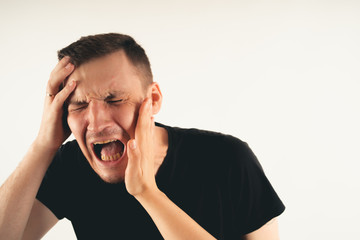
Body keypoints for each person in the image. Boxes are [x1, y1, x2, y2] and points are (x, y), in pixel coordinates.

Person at [0, 33, 285, 239]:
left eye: (114, 100)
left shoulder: (227, 159)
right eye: (80, 105)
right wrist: (42, 145)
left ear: (154, 99)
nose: (97, 124)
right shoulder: (68, 166)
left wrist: (147, 193)